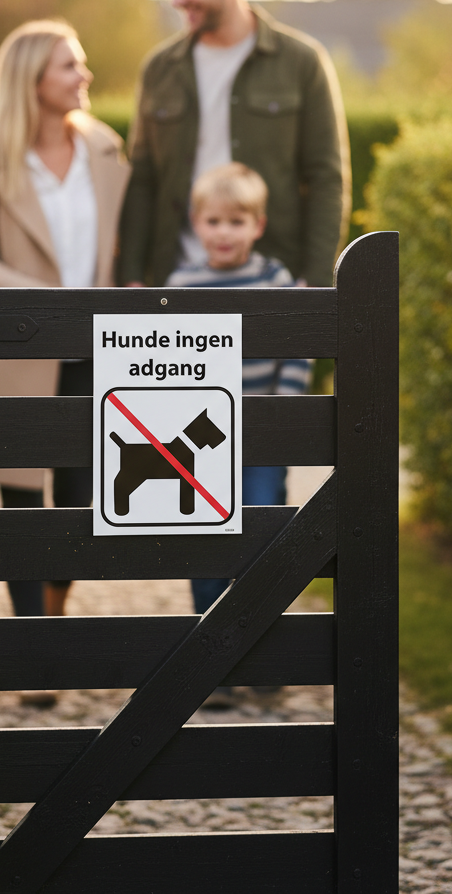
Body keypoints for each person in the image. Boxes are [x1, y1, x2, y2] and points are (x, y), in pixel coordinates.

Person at [0, 20, 130, 647]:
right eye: (68, 66)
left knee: (83, 496)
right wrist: (49, 303)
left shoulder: (106, 148)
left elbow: (123, 246)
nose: (83, 76)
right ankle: (33, 638)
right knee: (22, 500)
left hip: (95, 347)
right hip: (20, 347)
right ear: (32, 79)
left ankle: (54, 613)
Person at [118, 0, 350, 290]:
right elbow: (143, 178)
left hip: (274, 286)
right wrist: (130, 277)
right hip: (174, 286)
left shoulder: (302, 62)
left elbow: (326, 178)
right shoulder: (158, 68)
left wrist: (316, 283)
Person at [167, 162, 311, 652]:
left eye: (237, 221)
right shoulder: (181, 284)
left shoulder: (275, 279)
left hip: (262, 434)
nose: (224, 233)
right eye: (213, 221)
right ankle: (208, 646)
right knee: (204, 535)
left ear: (258, 225)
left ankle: (261, 644)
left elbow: (296, 350)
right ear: (195, 222)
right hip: (199, 440)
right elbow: (166, 360)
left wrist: (283, 410)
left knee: (265, 531)